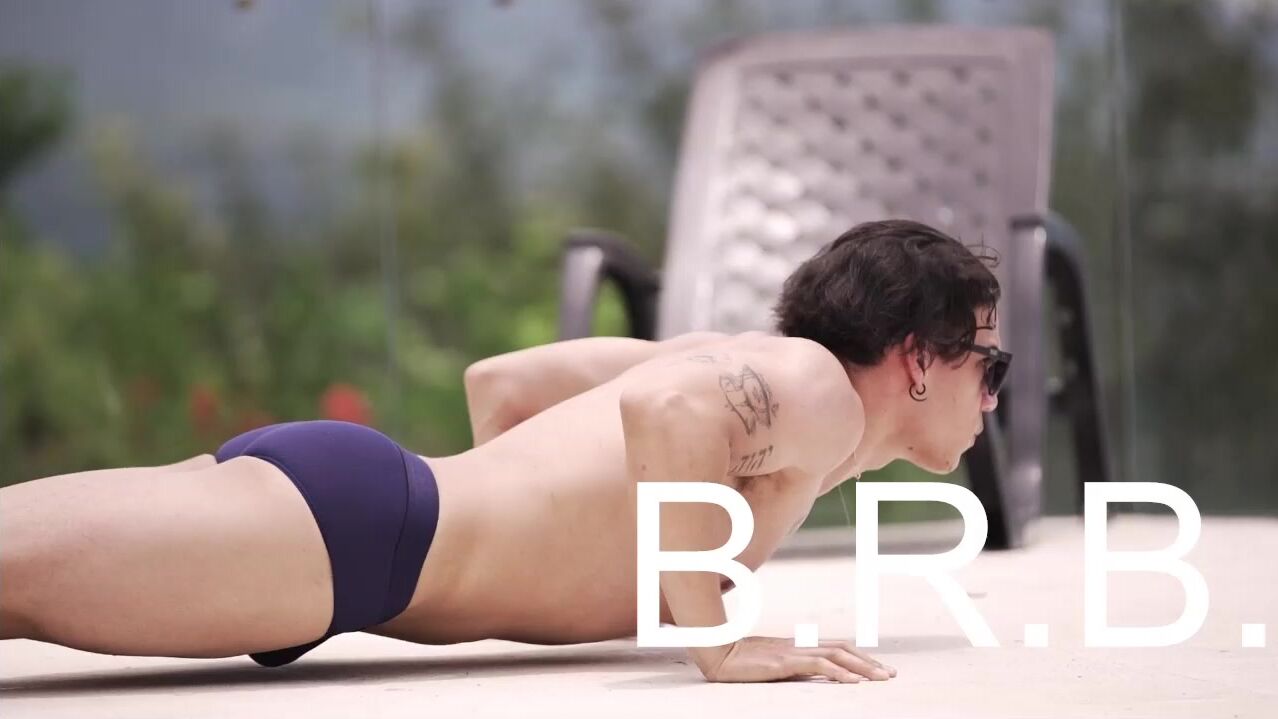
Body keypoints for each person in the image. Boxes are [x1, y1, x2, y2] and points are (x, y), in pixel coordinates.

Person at [0, 219, 1006, 684]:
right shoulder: (818, 390)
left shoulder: (744, 364)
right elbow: (665, 409)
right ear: (919, 358)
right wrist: (719, 640)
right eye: (990, 363)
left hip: (358, 521)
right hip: (358, 538)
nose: (995, 395)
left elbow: (505, 382)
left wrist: (520, 535)